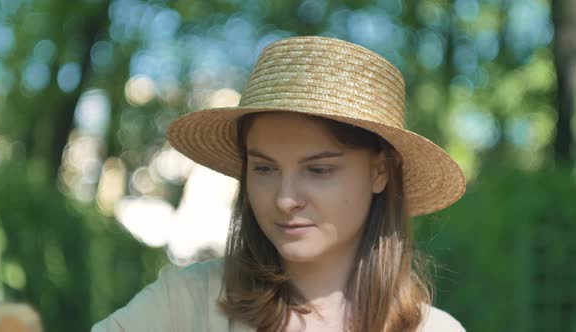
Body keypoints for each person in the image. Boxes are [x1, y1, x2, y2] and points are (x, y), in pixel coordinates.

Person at [92, 36, 467, 332]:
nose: (285, 199)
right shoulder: (181, 305)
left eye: (319, 170)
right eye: (265, 169)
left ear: (380, 171)